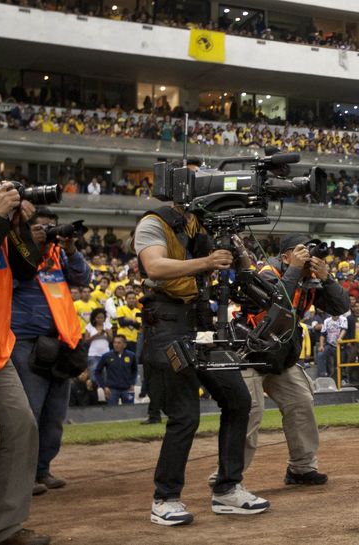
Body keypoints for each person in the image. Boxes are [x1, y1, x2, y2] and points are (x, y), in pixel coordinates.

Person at [135, 159, 267, 526]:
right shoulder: (153, 222)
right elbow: (155, 267)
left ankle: (227, 488)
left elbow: (237, 268)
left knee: (238, 399)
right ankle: (165, 498)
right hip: (167, 323)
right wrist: (207, 261)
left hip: (201, 323)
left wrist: (236, 249)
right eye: (197, 178)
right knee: (184, 416)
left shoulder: (201, 224)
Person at [232, 234, 349, 487]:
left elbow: (340, 307)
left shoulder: (309, 279)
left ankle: (301, 468)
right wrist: (295, 269)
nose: (309, 260)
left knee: (301, 402)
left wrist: (327, 278)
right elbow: (276, 303)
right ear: (286, 256)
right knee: (250, 412)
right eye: (302, 254)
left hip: (281, 356)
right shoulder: (265, 272)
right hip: (250, 355)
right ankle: (227, 480)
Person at [11, 206, 90, 493]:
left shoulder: (59, 256)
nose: (49, 233)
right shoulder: (18, 254)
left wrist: (70, 249)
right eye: (41, 227)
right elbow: (14, 279)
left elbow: (83, 279)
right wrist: (29, 246)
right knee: (29, 414)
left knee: (54, 414)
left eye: (52, 228)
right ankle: (21, 475)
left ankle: (42, 470)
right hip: (25, 342)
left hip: (60, 342)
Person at [0, 172, 51, 545]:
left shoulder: (0, 225)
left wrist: (17, 224)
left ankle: (3, 529)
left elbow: (28, 270)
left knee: (20, 428)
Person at [94, 335, 137, 405]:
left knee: (130, 412)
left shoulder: (131, 356)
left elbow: (135, 370)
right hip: (112, 390)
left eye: (119, 343)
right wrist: (103, 386)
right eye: (114, 342)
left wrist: (132, 383)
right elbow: (97, 372)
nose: (116, 345)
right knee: (112, 414)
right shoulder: (106, 356)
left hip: (127, 389)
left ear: (125, 345)